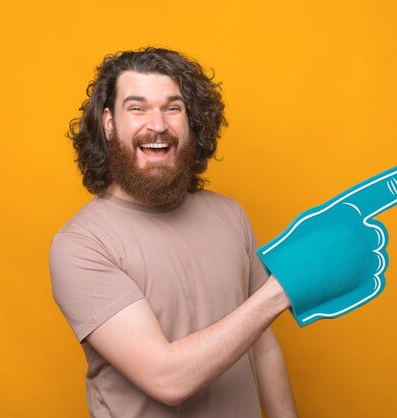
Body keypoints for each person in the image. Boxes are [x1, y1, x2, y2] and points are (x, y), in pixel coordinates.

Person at [50, 47, 297, 418]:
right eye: (137, 108)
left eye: (172, 107)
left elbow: (261, 346)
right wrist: (283, 290)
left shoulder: (230, 214)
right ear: (108, 122)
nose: (158, 124)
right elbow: (167, 379)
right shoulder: (81, 244)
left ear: (190, 120)